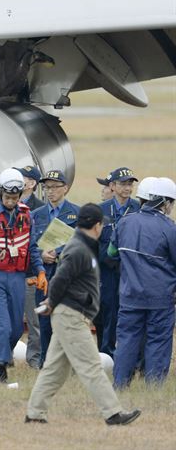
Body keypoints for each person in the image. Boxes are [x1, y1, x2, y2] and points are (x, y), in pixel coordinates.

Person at [25, 203, 141, 426]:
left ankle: (34, 413)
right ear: (97, 226)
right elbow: (60, 279)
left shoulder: (80, 246)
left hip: (70, 314)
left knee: (54, 370)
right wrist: (51, 302)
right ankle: (113, 413)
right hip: (71, 316)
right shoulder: (78, 249)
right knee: (91, 366)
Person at [0, 168, 46, 383]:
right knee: (2, 327)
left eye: (15, 197)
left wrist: (39, 270)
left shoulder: (26, 215)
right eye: (7, 197)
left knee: (14, 330)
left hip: (17, 277)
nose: (11, 201)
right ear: (0, 194)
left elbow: (31, 247)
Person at [109, 177, 176, 388]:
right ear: (161, 202)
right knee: (158, 341)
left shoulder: (125, 222)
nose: (172, 207)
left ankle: (120, 385)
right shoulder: (169, 228)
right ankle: (153, 387)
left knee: (127, 340)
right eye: (171, 202)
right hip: (161, 298)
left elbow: (111, 253)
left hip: (129, 296)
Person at [30, 170, 80, 367]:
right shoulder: (36, 215)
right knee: (44, 319)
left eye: (54, 187)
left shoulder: (77, 213)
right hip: (44, 275)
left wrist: (59, 252)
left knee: (68, 319)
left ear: (65, 188)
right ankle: (46, 362)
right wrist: (41, 255)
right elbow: (30, 244)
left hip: (67, 276)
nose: (50, 192)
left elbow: (83, 243)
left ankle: (69, 363)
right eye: (47, 187)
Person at [95, 167, 140, 356]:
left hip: (133, 271)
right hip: (107, 271)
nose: (127, 188)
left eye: (130, 184)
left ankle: (132, 356)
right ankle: (106, 354)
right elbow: (92, 241)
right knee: (108, 312)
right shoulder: (101, 210)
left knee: (133, 314)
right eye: (122, 184)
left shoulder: (139, 208)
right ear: (112, 186)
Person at [14, 165, 44, 368]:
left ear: (31, 184)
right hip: (10, 272)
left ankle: (34, 358)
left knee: (34, 320)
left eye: (22, 178)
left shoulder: (39, 210)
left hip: (30, 273)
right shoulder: (7, 206)